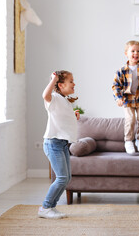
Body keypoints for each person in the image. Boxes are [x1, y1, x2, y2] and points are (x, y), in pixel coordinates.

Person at [39, 70, 80, 219]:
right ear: (61, 85)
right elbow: (45, 95)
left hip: (62, 144)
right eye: (71, 81)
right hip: (53, 143)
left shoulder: (64, 100)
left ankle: (51, 207)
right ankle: (45, 207)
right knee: (62, 177)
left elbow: (62, 119)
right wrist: (53, 79)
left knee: (66, 178)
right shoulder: (54, 98)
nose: (74, 84)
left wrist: (73, 114)